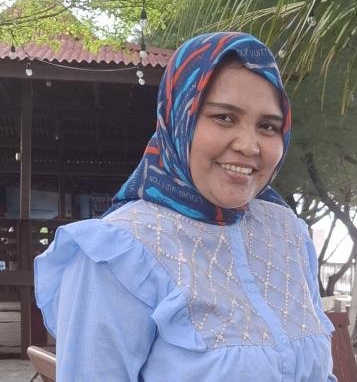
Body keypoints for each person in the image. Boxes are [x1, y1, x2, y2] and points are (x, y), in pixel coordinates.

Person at [34, 32, 336, 381]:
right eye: (224, 117)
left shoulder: (287, 234)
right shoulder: (119, 254)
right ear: (180, 118)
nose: (249, 145)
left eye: (267, 126)